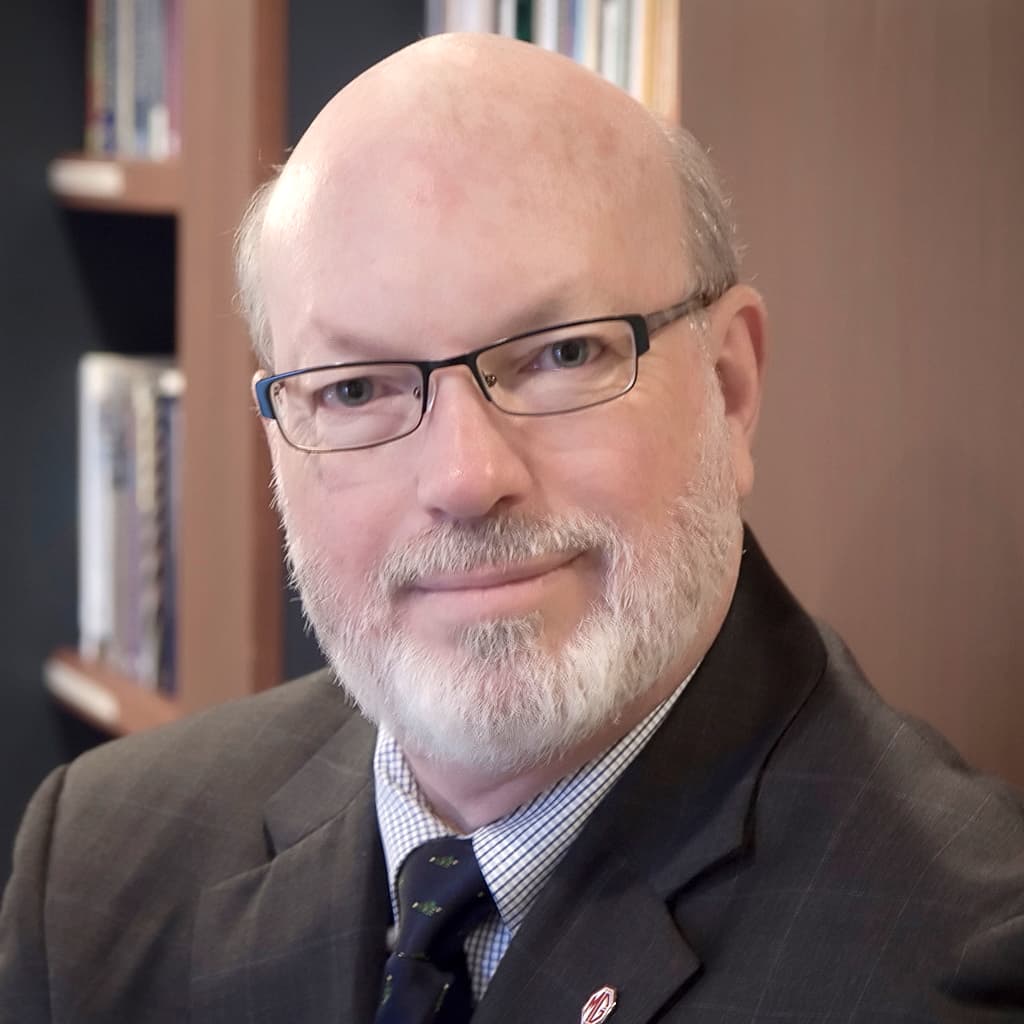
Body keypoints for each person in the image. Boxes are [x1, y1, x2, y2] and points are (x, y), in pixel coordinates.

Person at [2, 32, 1023, 1024]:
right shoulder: (95, 869)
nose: (464, 478)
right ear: (279, 439)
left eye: (561, 355)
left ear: (730, 386)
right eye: (355, 387)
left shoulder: (959, 963)